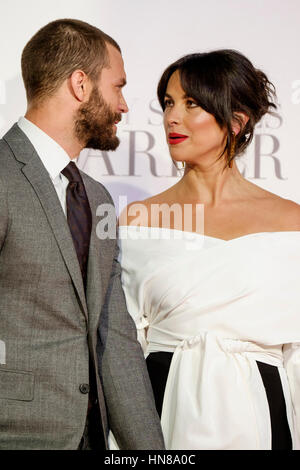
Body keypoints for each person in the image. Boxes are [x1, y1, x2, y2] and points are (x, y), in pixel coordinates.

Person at [118, 50, 300, 450]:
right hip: (161, 409)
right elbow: (122, 347)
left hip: (262, 416)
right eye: (168, 103)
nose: (171, 117)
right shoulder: (138, 221)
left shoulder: (291, 223)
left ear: (236, 121)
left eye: (192, 103)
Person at [0, 18, 165, 450]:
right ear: (80, 84)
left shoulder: (98, 197)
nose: (125, 105)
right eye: (118, 86)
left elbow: (115, 335)